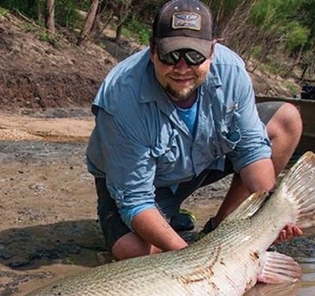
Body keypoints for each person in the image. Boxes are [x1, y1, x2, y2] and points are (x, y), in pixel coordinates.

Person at [86, 0, 303, 260]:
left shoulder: (232, 71)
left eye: (194, 56)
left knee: (286, 119)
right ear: (153, 49)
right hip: (144, 182)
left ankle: (221, 228)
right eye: (171, 55)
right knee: (133, 251)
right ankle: (174, 224)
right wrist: (193, 258)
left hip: (203, 161)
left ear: (212, 50)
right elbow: (135, 200)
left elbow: (252, 152)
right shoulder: (121, 95)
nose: (182, 68)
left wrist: (268, 214)